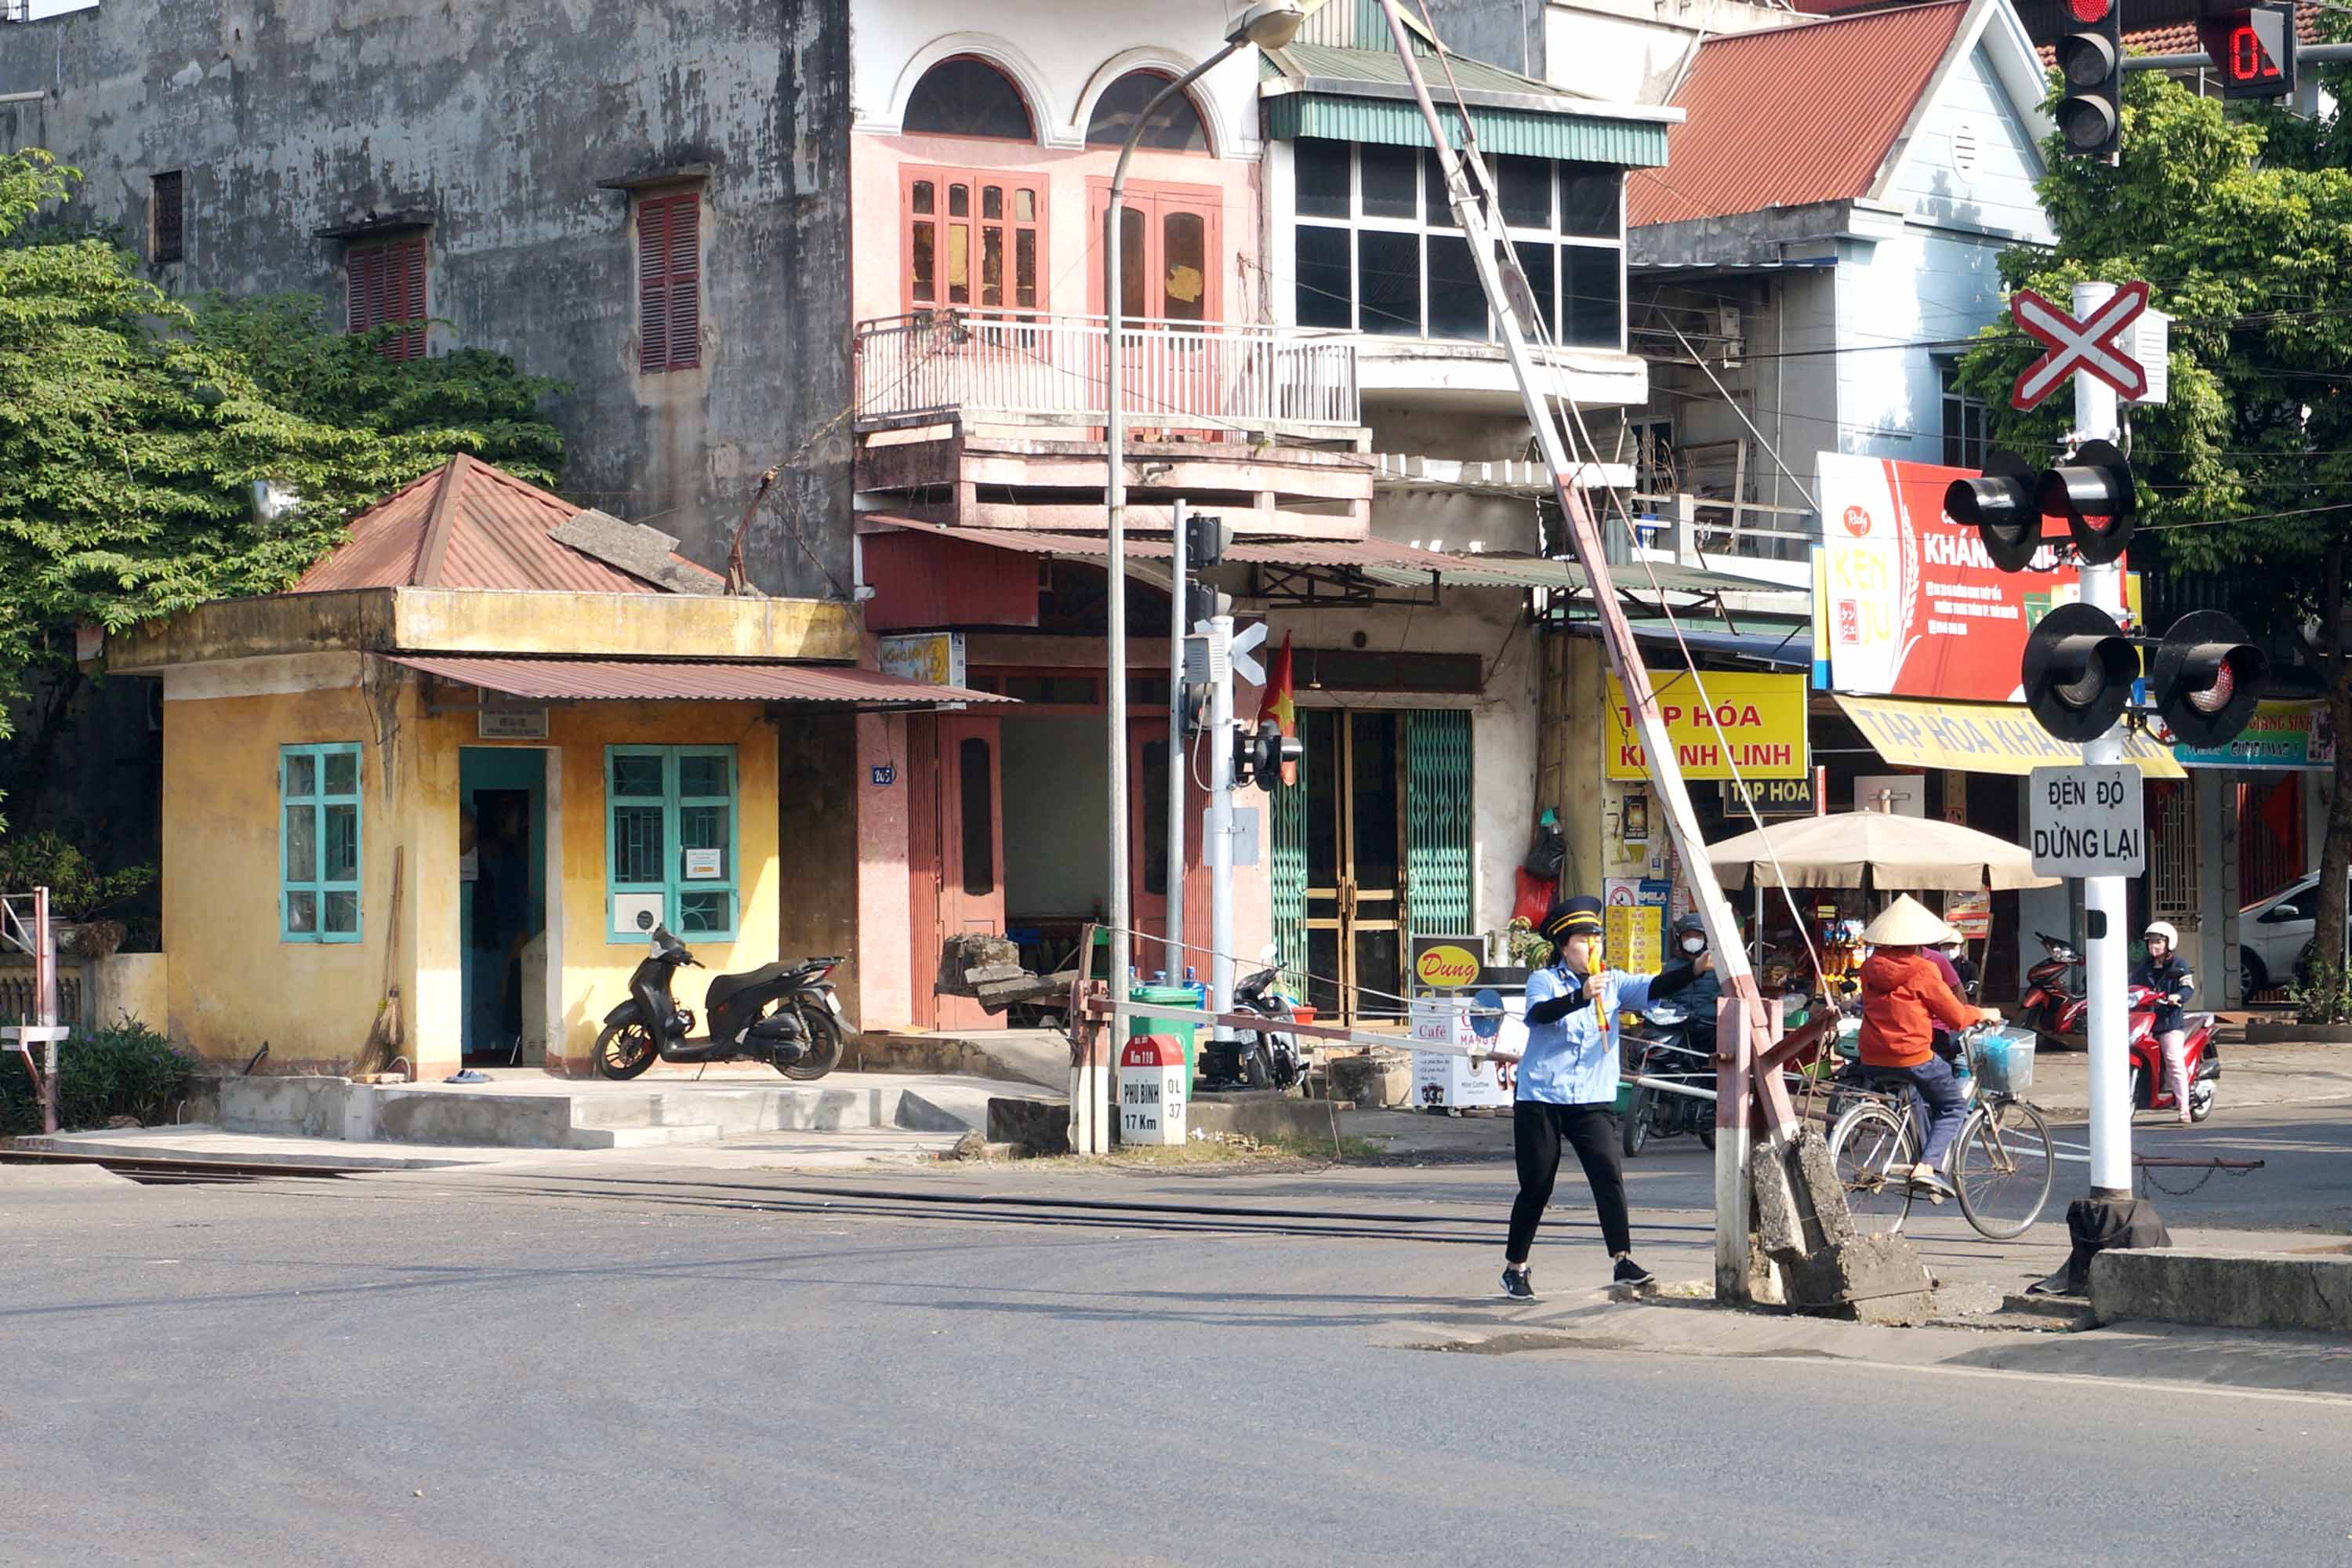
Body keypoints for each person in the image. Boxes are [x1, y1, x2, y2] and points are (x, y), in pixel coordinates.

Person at [1493, 895, 1711, 1300]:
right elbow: (1540, 1014)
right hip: (1542, 1097)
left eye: (1596, 938)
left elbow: (1656, 985)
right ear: (1563, 947)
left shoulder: (1614, 982)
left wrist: (1696, 969)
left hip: (1591, 1097)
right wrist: (1581, 995)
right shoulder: (1545, 981)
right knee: (1537, 1185)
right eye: (1582, 940)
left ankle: (1622, 1260)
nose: (1592, 947)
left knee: (1608, 1177)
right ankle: (1515, 1267)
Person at [1857, 895, 2005, 1200]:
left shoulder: (1870, 967)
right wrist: (1985, 1014)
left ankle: (1919, 1158)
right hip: (1912, 1055)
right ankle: (1927, 1166)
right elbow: (1957, 1016)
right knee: (1953, 1106)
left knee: (1918, 1095)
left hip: (1871, 1056)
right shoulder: (1923, 970)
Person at [2132, 921, 2197, 1125]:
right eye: (2151, 942)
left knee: (2173, 1060)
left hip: (2169, 1022)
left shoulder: (2179, 965)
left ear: (2169, 943)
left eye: (2159, 942)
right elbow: (2132, 986)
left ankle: (2184, 1106)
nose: (2154, 946)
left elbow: (2188, 989)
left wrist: (2177, 996)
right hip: (2147, 1022)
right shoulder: (2144, 968)